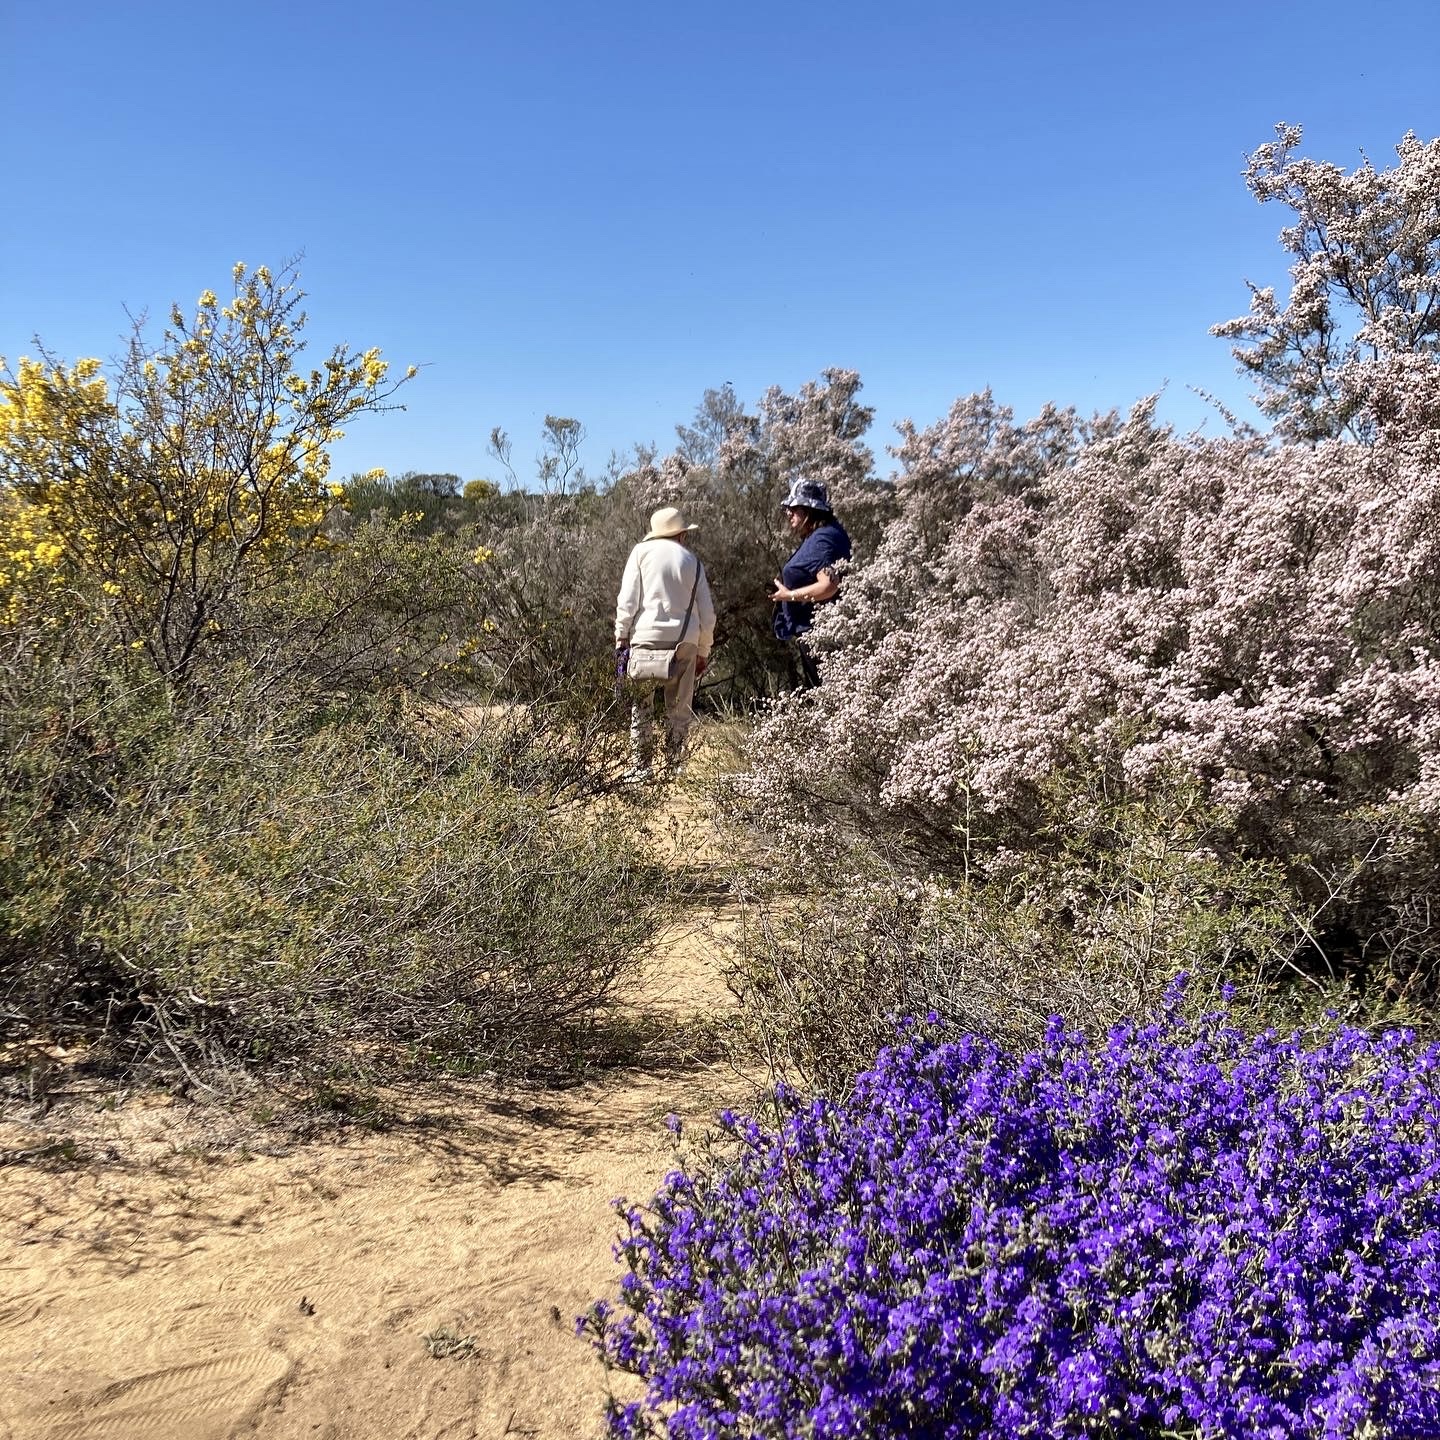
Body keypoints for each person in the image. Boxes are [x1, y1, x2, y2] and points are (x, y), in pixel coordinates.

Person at [615, 505, 716, 777]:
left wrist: (621, 636)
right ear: (681, 535)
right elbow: (707, 614)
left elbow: (627, 600)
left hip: (645, 639)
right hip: (685, 642)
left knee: (641, 708)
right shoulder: (693, 562)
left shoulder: (640, 553)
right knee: (679, 710)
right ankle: (674, 766)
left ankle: (641, 767)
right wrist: (703, 650)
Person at [770, 478, 851, 687]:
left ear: (809, 510)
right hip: (816, 634)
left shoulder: (822, 539)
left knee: (829, 695)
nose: (788, 512)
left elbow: (829, 586)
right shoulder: (821, 535)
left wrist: (788, 596)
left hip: (822, 636)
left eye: (794, 507)